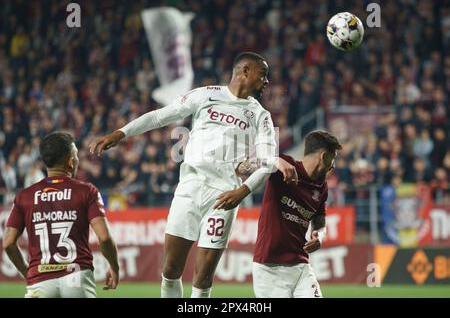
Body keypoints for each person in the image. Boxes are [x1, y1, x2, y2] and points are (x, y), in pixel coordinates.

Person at [89, 52, 298, 298]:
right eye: (262, 75)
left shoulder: (260, 115)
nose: (266, 81)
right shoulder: (205, 94)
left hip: (225, 196)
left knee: (203, 277)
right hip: (190, 187)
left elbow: (265, 160)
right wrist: (120, 133)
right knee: (170, 270)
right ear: (244, 71)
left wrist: (243, 191)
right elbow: (159, 116)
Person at [2, 132, 119, 298]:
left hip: (40, 279)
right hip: (77, 276)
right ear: (71, 162)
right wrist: (114, 266)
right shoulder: (87, 191)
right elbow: (105, 238)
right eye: (76, 155)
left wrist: (27, 272)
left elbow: (8, 243)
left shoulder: (24, 196)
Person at [249, 130, 342, 298]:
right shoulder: (284, 166)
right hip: (269, 267)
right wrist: (274, 161)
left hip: (301, 266)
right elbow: (241, 166)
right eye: (333, 158)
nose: (333, 165)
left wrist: (320, 236)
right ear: (324, 156)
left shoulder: (321, 187)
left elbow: (320, 220)